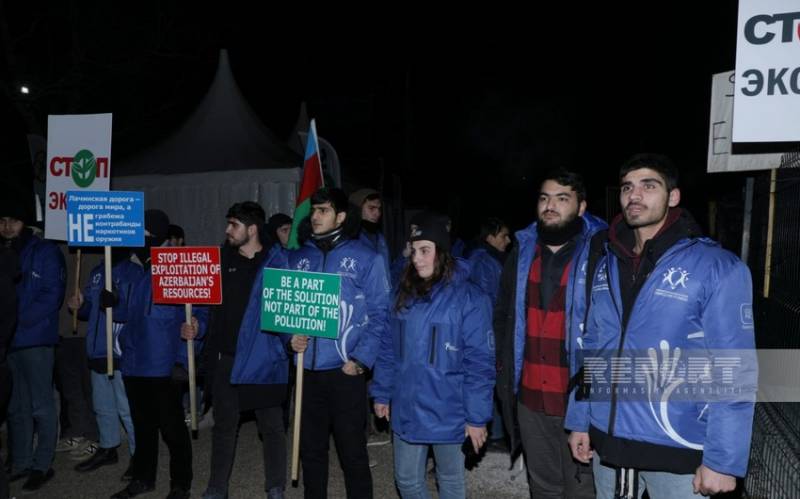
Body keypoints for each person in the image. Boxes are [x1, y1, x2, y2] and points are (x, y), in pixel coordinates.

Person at [565, 154, 756, 498]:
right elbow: (593, 347)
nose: (634, 195)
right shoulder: (605, 261)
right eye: (627, 187)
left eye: (648, 186)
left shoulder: (716, 267)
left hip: (680, 449)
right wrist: (580, 419)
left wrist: (723, 461)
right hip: (610, 445)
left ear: (673, 196)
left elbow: (736, 366)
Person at [494, 169, 606, 498]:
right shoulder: (523, 251)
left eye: (561, 198)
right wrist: (504, 368)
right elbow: (503, 314)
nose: (550, 206)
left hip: (578, 399)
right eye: (544, 198)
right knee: (542, 487)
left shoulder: (602, 252)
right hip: (529, 397)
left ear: (581, 207)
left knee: (583, 489)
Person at [371, 213, 495, 498]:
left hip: (450, 410)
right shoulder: (402, 295)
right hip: (407, 405)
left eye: (425, 250)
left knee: (449, 481)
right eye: (413, 251)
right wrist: (381, 392)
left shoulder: (470, 298)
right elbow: (388, 349)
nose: (417, 258)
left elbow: (480, 364)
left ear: (442, 252)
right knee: (407, 481)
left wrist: (476, 418)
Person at [286, 187, 390, 499]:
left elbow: (381, 313)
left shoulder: (366, 258)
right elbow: (283, 309)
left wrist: (360, 360)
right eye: (313, 210)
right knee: (311, 453)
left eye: (323, 210)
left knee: (352, 453)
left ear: (341, 216)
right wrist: (289, 339)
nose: (315, 216)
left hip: (345, 372)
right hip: (307, 372)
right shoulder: (299, 257)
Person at [111, 209, 207, 499]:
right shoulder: (130, 268)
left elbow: (199, 308)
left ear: (157, 236)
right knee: (142, 426)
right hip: (134, 359)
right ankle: (143, 477)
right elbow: (128, 312)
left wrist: (196, 326)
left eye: (144, 234)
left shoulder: (176, 267)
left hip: (163, 361)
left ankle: (180, 484)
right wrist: (112, 303)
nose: (139, 239)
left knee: (172, 428)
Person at [198, 202, 288, 499]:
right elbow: (203, 305)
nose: (227, 230)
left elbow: (289, 310)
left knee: (272, 427)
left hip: (264, 360)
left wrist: (292, 340)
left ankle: (275, 486)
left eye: (233, 224)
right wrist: (196, 327)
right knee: (224, 427)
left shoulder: (277, 262)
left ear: (252, 229)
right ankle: (217, 487)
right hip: (228, 359)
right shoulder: (220, 261)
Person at [1, 204, 66, 493]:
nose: (6, 226)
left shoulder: (44, 251)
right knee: (16, 407)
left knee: (41, 404)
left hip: (35, 338)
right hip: (9, 340)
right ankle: (22, 463)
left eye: (12, 220)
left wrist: (16, 320)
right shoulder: (4, 253)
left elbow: (51, 295)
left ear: (24, 222)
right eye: (1, 221)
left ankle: (42, 464)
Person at [68, 247, 141, 477]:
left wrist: (116, 303)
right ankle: (109, 446)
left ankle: (138, 455)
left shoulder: (134, 273)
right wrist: (81, 306)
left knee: (127, 408)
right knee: (102, 406)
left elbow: (135, 310)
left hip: (119, 350)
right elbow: (91, 309)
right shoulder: (98, 271)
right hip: (98, 348)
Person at [349, 188, 390, 278]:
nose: (377, 213)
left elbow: (387, 273)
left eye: (379, 209)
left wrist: (403, 257)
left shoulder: (380, 238)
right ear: (357, 209)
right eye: (371, 208)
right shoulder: (349, 238)